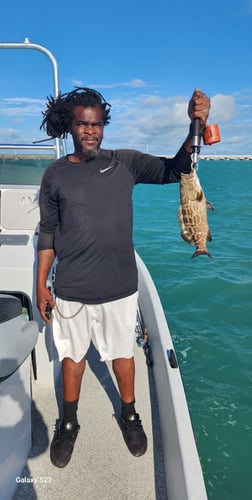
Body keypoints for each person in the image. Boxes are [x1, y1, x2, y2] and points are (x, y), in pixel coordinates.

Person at [36, 86, 210, 468]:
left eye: (97, 124)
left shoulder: (124, 163)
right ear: (70, 126)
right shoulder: (56, 175)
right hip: (71, 289)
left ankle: (129, 416)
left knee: (122, 356)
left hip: (119, 287)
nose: (91, 132)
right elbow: (47, 232)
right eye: (83, 124)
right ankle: (68, 423)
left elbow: (175, 169)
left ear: (104, 126)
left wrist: (196, 123)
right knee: (73, 358)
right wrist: (40, 284)